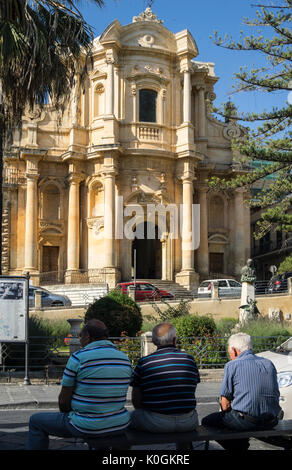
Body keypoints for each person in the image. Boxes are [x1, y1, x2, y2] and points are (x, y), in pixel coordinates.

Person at [26, 319, 133, 450]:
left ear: (88, 336)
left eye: (80, 336)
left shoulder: (79, 357)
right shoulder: (124, 358)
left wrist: (69, 415)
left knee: (36, 421)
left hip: (86, 425)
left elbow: (64, 401)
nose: (79, 339)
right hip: (119, 424)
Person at [201, 332, 282, 451]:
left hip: (247, 422)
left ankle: (239, 447)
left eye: (229, 352)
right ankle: (240, 445)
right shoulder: (268, 363)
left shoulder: (232, 365)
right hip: (271, 420)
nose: (230, 355)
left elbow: (225, 403)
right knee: (238, 418)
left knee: (207, 421)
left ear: (234, 350)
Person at [130, 322, 200, 433]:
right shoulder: (189, 360)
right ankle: (184, 447)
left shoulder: (144, 362)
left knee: (128, 418)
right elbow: (191, 388)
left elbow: (136, 398)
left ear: (153, 341)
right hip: (188, 421)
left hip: (156, 422)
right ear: (174, 340)